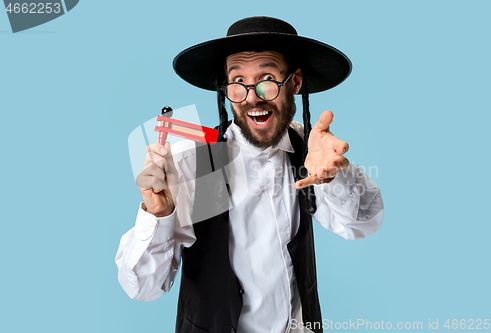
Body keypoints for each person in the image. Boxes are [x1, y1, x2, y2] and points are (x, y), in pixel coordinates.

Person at [116, 16, 384, 333]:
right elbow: (144, 288)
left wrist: (335, 177)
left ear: (295, 83)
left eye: (267, 78)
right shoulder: (195, 163)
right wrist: (157, 214)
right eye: (237, 81)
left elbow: (364, 224)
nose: (252, 96)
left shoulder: (310, 151)